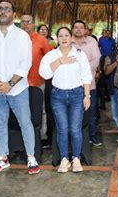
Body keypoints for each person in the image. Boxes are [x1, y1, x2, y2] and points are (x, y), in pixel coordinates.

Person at [0, 0, 40, 175]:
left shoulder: (22, 36)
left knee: (25, 123)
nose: (3, 11)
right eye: (0, 8)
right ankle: (3, 157)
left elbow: (26, 62)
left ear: (14, 14)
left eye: (7, 9)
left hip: (18, 89)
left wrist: (10, 84)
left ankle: (31, 157)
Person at [39, 27, 92, 173]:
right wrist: (60, 61)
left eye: (66, 35)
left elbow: (86, 76)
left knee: (75, 129)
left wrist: (87, 96)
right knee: (62, 129)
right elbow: (44, 73)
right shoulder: (51, 55)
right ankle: (64, 158)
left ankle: (76, 158)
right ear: (57, 39)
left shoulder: (80, 55)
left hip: (77, 95)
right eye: (61, 36)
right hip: (58, 96)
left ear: (71, 38)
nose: (64, 38)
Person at [20, 14, 52, 141]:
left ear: (33, 24)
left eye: (28, 22)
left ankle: (41, 137)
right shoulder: (14, 39)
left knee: (41, 110)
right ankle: (23, 138)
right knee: (22, 111)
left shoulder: (41, 40)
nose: (26, 24)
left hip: (37, 82)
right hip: (17, 84)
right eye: (23, 21)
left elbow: (50, 58)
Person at [72, 20, 102, 146]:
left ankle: (92, 135)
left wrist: (82, 71)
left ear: (85, 30)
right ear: (72, 29)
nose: (78, 29)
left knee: (90, 111)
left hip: (89, 84)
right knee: (74, 112)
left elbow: (96, 60)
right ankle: (76, 136)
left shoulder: (92, 41)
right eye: (76, 27)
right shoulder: (68, 41)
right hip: (72, 84)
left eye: (81, 27)